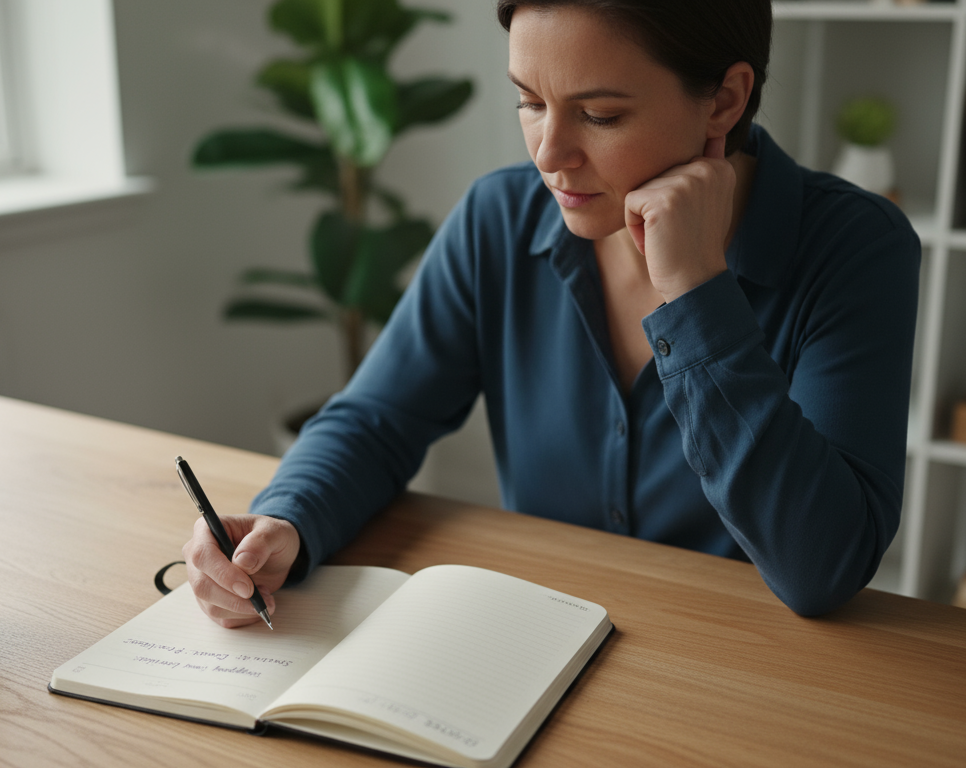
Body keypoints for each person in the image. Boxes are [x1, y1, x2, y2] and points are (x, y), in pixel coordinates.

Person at [182, 0, 921, 627]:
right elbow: (379, 419)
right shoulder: (497, 219)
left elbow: (824, 565)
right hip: (528, 652)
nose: (549, 153)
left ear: (725, 100)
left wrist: (697, 296)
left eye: (598, 114)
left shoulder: (855, 249)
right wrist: (287, 518)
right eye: (531, 102)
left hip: (737, 677)